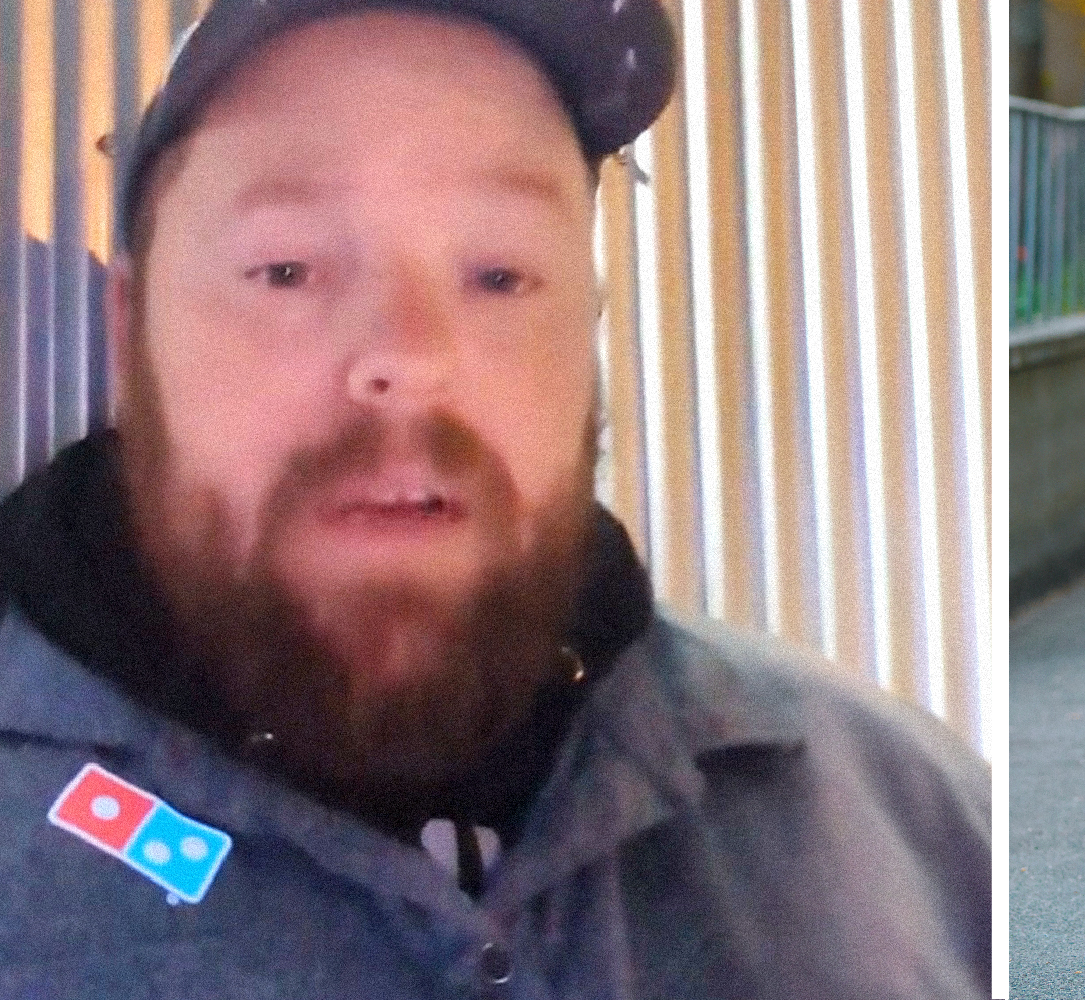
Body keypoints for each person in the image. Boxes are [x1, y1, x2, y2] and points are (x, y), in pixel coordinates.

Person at [0, 2, 989, 997]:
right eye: (287, 269)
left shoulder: (915, 833)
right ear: (132, 336)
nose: (411, 358)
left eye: (500, 274)